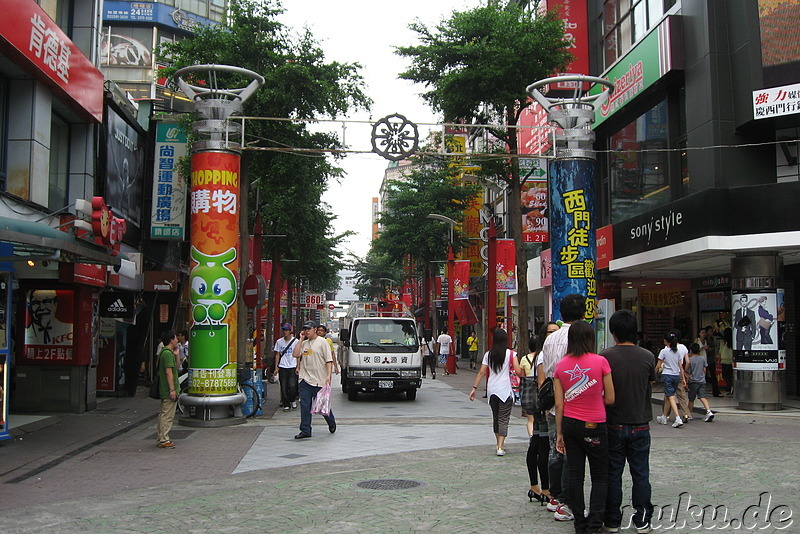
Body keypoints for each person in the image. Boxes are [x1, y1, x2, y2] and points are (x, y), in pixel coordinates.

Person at [554, 320, 615, 534]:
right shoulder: (601, 362)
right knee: (599, 476)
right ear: (590, 339)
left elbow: (559, 404)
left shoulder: (561, 366)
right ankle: (595, 524)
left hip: (570, 424)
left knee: (575, 475)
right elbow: (611, 398)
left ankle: (579, 523)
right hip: (595, 424)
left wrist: (559, 433)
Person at [600, 310, 656, 534]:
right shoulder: (648, 356)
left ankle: (612, 520)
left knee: (613, 473)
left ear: (613, 333)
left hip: (613, 423)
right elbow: (650, 382)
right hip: (640, 422)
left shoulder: (605, 356)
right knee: (641, 473)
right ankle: (642, 519)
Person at [540, 293, 586, 523]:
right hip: (575, 401)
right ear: (584, 314)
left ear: (561, 313)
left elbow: (548, 369)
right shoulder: (581, 337)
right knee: (571, 452)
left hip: (552, 402)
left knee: (554, 449)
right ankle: (566, 499)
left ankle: (555, 496)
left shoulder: (550, 338)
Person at [469, 328, 523, 456]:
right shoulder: (511, 354)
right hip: (505, 389)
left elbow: (482, 372)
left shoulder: (489, 354)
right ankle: (500, 446)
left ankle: (498, 443)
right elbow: (518, 371)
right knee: (504, 418)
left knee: (496, 417)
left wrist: (474, 388)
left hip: (492, 389)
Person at [524, 322, 558, 505]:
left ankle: (535, 486)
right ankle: (544, 488)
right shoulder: (544, 355)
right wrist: (545, 408)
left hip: (541, 404)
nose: (553, 335)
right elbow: (541, 382)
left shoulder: (543, 353)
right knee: (542, 446)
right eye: (550, 332)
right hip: (545, 405)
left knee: (536, 444)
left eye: (556, 332)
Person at [292, 320, 336, 439]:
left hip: (319, 380)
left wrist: (328, 376)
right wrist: (300, 339)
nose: (306, 331)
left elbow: (328, 360)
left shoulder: (322, 342)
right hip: (305, 380)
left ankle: (331, 421)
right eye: (305, 329)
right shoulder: (304, 343)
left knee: (321, 406)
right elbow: (295, 354)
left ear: (315, 329)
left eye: (308, 329)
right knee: (305, 406)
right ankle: (305, 430)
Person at [656, 332, 687, 428]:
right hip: (676, 376)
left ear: (666, 341)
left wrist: (653, 373)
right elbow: (680, 366)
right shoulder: (677, 351)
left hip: (667, 375)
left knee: (671, 396)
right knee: (668, 396)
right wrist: (683, 378)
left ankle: (677, 418)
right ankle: (664, 416)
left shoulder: (663, 351)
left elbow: (658, 365)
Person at [155, 330, 180, 449]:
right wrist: (172, 390)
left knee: (163, 414)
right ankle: (164, 439)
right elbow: (169, 372)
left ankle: (161, 438)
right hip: (168, 390)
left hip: (165, 389)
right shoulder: (167, 354)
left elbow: (177, 367)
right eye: (175, 338)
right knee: (167, 415)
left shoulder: (165, 353)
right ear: (171, 340)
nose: (177, 340)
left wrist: (177, 355)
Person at [687, 343, 716, 422]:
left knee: (691, 399)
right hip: (702, 380)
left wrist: (686, 381)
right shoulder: (702, 358)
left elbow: (688, 372)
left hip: (693, 381)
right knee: (703, 397)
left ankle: (689, 414)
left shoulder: (690, 360)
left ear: (691, 351)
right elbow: (704, 369)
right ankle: (708, 411)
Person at [273, 323, 298, 412]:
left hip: (292, 366)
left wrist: (298, 366)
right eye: (283, 330)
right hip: (283, 366)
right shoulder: (279, 342)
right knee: (283, 386)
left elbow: (298, 355)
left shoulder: (296, 341)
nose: (285, 332)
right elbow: (277, 355)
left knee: (292, 385)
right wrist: (276, 367)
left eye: (287, 330)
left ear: (290, 331)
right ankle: (286, 404)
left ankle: (292, 399)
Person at [719, 327, 733, 395]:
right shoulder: (732, 341)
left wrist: (719, 359)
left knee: (725, 375)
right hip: (731, 360)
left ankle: (729, 387)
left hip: (724, 360)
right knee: (729, 375)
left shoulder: (723, 341)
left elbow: (720, 351)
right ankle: (730, 387)